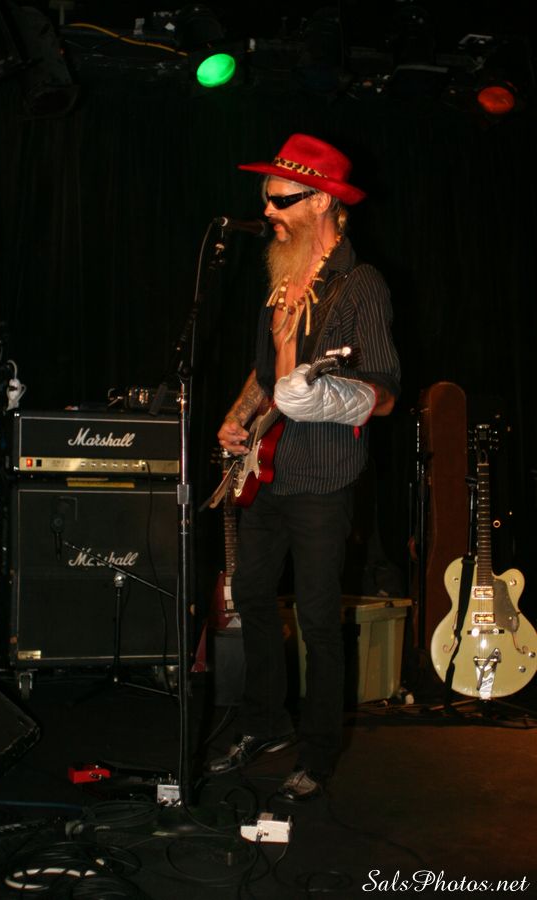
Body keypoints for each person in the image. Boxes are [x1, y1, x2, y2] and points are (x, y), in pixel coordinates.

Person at [208, 133, 400, 800]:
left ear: (321, 200)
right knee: (252, 596)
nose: (268, 211)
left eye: (281, 199)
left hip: (322, 475)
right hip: (267, 470)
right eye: (266, 199)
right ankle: (265, 722)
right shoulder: (280, 278)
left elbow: (385, 390)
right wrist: (238, 416)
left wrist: (328, 396)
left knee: (318, 619)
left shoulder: (360, 285)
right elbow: (265, 375)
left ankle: (318, 755)